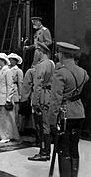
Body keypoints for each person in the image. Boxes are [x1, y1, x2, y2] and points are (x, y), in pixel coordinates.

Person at [49, 42, 89, 177]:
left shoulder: (61, 73)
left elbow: (55, 99)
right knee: (74, 147)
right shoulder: (83, 72)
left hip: (64, 115)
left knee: (63, 149)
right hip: (79, 112)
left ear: (61, 55)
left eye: (58, 53)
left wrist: (52, 121)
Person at [28, 42, 54, 161]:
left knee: (42, 126)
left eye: (36, 51)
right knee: (46, 125)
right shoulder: (51, 63)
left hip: (42, 97)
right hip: (49, 95)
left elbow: (37, 85)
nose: (35, 54)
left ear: (40, 51)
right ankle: (46, 151)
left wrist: (35, 102)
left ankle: (44, 152)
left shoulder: (40, 66)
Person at [0, 52, 20, 144]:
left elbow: (10, 85)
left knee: (4, 118)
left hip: (4, 96)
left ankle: (6, 135)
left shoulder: (7, 71)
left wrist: (9, 98)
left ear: (2, 60)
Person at [7, 53, 24, 129]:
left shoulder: (18, 71)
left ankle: (15, 128)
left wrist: (20, 95)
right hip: (7, 90)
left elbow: (20, 83)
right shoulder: (7, 69)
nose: (10, 61)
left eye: (12, 59)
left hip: (15, 91)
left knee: (15, 111)